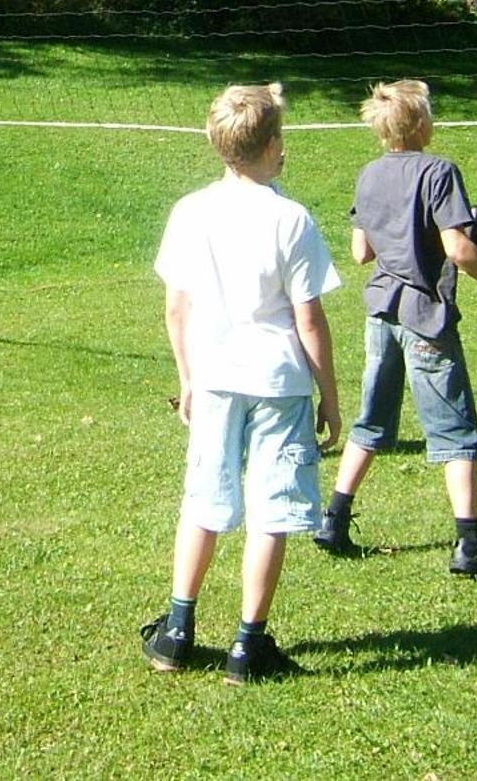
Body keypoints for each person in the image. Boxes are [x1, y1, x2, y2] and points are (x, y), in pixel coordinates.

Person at [140, 83, 344, 685]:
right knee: (271, 509)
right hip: (278, 381)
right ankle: (247, 643)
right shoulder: (291, 218)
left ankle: (177, 630)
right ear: (274, 144)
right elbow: (308, 318)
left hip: (216, 377)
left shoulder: (191, 210)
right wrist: (329, 396)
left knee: (204, 498)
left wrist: (189, 379)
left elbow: (176, 308)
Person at [312, 79, 477, 576]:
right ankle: (470, 544)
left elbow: (360, 252)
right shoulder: (439, 172)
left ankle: (334, 518)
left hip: (382, 314)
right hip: (425, 316)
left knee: (371, 419)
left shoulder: (369, 174)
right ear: (418, 124)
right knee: (456, 429)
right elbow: (457, 248)